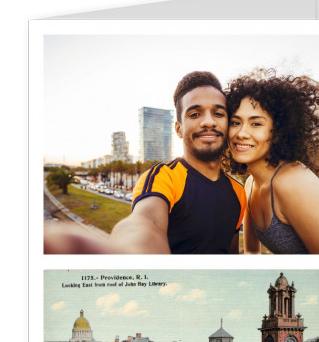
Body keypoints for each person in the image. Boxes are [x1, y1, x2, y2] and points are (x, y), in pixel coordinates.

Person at [44, 71, 246, 254]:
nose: (208, 121)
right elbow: (144, 222)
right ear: (178, 129)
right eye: (195, 114)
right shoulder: (163, 177)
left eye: (218, 113)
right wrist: (129, 253)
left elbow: (230, 251)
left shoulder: (238, 191)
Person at [223, 73, 319, 254]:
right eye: (235, 122)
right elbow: (251, 254)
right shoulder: (250, 184)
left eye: (256, 124)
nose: (241, 133)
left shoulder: (294, 182)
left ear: (278, 132)